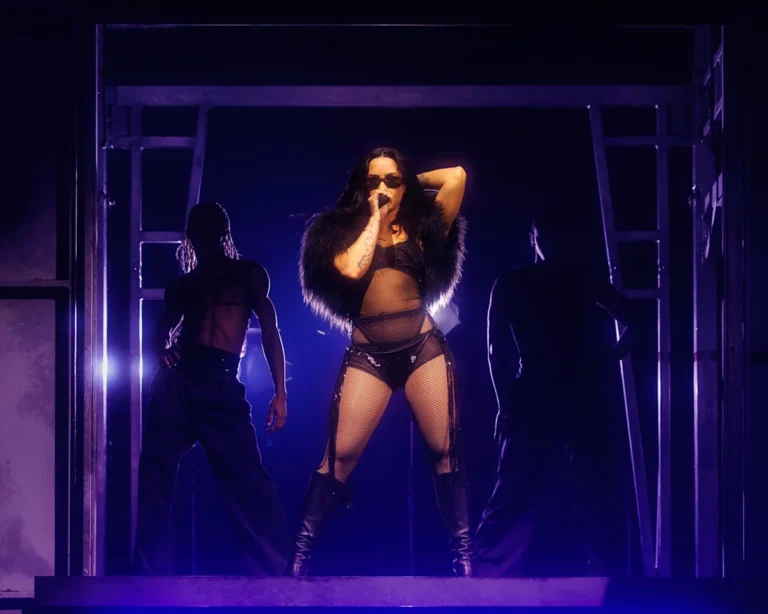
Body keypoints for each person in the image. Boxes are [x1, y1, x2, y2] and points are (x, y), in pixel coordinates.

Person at [292, 147, 469, 577]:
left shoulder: (422, 226)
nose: (383, 188)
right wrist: (375, 213)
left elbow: (456, 176)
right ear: (361, 187)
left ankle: (464, 558)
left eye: (391, 180)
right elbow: (352, 271)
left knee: (444, 450)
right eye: (373, 181)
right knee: (340, 455)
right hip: (369, 354)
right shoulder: (338, 231)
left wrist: (407, 184)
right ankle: (298, 560)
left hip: (421, 348)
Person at [131, 201, 291, 575]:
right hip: (180, 384)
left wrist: (280, 393)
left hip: (220, 384)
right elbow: (158, 334)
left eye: (209, 231)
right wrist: (162, 352)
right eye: (199, 232)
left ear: (221, 234)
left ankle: (275, 571)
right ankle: (148, 575)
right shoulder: (184, 286)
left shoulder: (248, 275)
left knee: (248, 478)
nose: (204, 239)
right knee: (155, 472)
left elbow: (271, 333)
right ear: (192, 237)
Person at [474, 208, 635, 577]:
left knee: (528, 485)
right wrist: (607, 359)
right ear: (535, 237)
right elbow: (633, 318)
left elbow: (495, 350)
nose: (551, 241)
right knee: (575, 483)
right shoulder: (573, 279)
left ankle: (485, 570)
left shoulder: (519, 282)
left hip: (548, 392)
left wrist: (505, 405)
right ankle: (607, 570)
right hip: (566, 391)